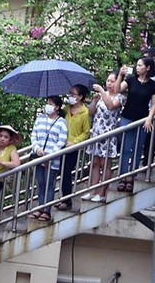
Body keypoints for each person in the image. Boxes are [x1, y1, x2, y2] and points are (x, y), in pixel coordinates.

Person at [116, 56, 155, 191]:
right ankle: (122, 177)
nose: (137, 68)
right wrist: (120, 76)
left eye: (140, 65)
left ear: (147, 68)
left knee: (138, 149)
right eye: (137, 65)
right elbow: (118, 90)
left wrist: (150, 117)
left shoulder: (152, 85)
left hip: (142, 119)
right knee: (126, 149)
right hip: (127, 117)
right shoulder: (131, 80)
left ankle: (131, 177)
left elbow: (154, 104)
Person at [84, 72, 125, 202]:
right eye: (108, 81)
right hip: (96, 133)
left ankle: (102, 192)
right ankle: (92, 191)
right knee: (95, 163)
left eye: (112, 81)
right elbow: (90, 112)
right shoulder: (101, 96)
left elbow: (111, 106)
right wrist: (94, 102)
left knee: (105, 163)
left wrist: (102, 91)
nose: (109, 83)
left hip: (108, 134)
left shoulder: (120, 97)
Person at [30, 95, 69, 222]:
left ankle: (47, 210)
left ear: (57, 107)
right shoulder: (40, 119)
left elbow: (61, 141)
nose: (48, 106)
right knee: (41, 183)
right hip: (39, 156)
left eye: (51, 104)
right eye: (47, 103)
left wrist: (49, 155)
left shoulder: (61, 122)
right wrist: (37, 149)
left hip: (52, 159)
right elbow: (34, 135)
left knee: (49, 184)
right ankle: (40, 207)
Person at [57, 84, 91, 210]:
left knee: (66, 172)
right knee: (60, 172)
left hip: (72, 148)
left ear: (80, 97)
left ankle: (66, 199)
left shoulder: (85, 112)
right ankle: (62, 198)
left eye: (73, 94)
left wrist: (75, 142)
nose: (70, 96)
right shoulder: (66, 109)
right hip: (60, 145)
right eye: (70, 93)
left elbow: (86, 132)